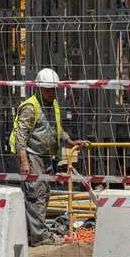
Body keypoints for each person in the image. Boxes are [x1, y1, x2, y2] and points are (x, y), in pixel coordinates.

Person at [10, 68, 86, 247]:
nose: (52, 92)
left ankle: (35, 232)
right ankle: (39, 237)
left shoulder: (53, 105)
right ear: (39, 88)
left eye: (54, 89)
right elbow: (21, 136)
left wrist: (70, 141)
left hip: (45, 155)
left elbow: (56, 128)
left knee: (43, 194)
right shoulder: (31, 107)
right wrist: (24, 161)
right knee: (35, 194)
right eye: (48, 89)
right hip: (32, 155)